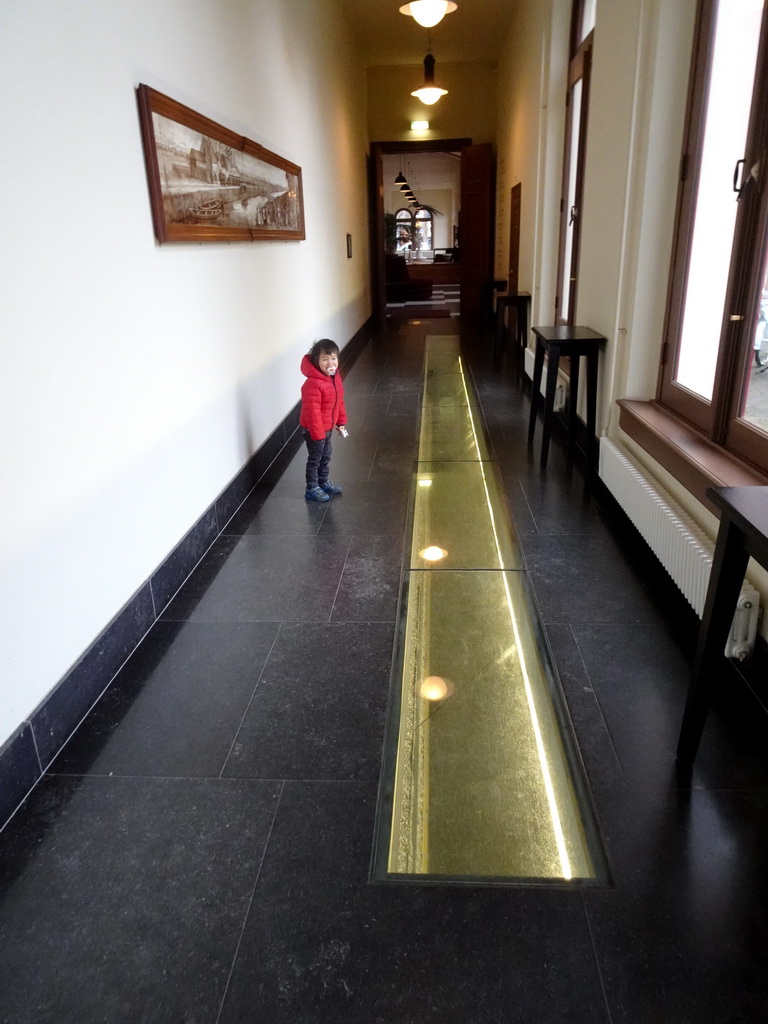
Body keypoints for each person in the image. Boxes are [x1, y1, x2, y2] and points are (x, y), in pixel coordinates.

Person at [299, 339, 347, 502]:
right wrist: (318, 434)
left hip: (327, 428)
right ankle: (311, 488)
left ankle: (323, 482)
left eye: (333, 358)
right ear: (316, 362)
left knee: (325, 456)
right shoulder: (313, 384)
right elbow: (312, 412)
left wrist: (341, 422)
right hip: (314, 430)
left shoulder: (335, 378)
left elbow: (339, 401)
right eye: (325, 359)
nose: (330, 363)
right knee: (315, 458)